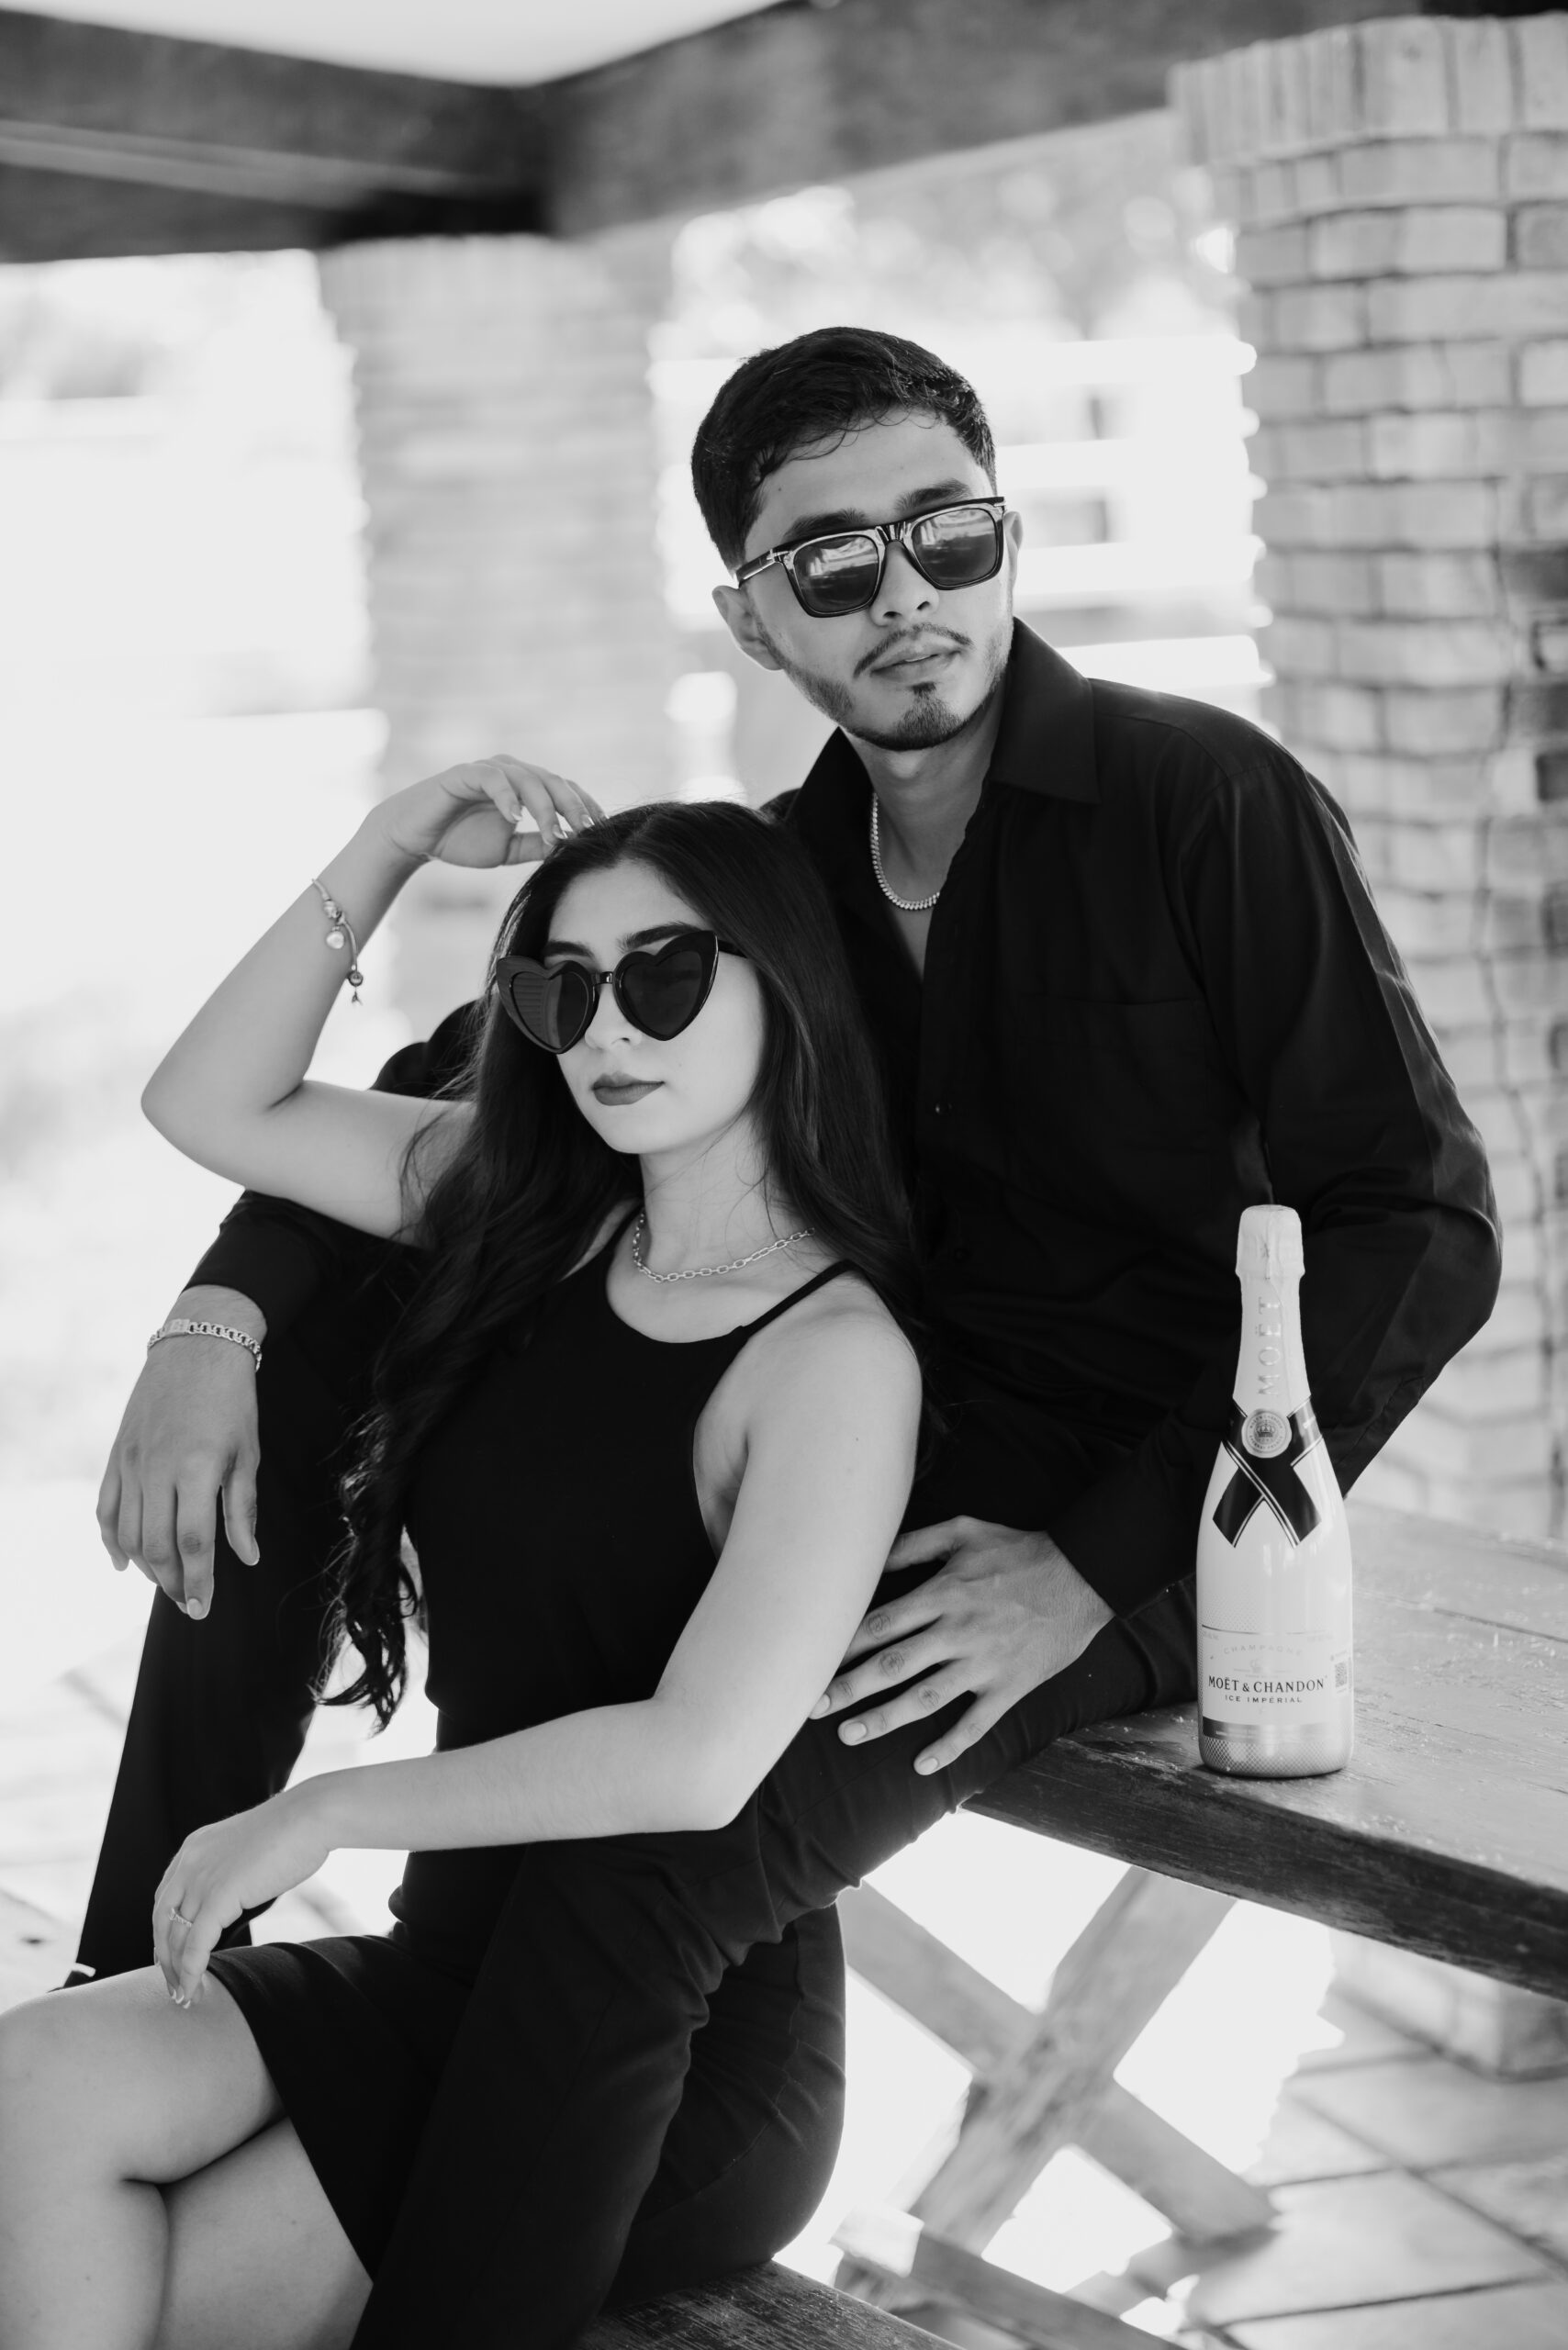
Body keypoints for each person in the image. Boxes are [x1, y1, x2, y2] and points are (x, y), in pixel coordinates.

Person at [68, 327, 1500, 2343]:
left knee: (640, 1871)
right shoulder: (779, 879)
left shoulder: (1200, 797)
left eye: (947, 533)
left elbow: (1416, 1221)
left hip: (1120, 1508)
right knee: (300, 1375)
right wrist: (216, 1308)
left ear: (1005, 538)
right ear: (755, 618)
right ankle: (145, 1971)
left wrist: (1091, 1571)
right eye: (833, 561)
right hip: (846, 1442)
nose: (905, 593)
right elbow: (481, 1087)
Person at [0, 787, 926, 2344]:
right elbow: (212, 1101)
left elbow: (698, 1758)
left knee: (159, 2299)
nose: (606, 1030)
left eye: (665, 976)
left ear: (784, 980)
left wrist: (322, 1809)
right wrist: (389, 845)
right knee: (34, 2080)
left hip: (666, 2044)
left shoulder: (831, 1357)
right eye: (560, 990)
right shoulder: (529, 1215)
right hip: (445, 1961)